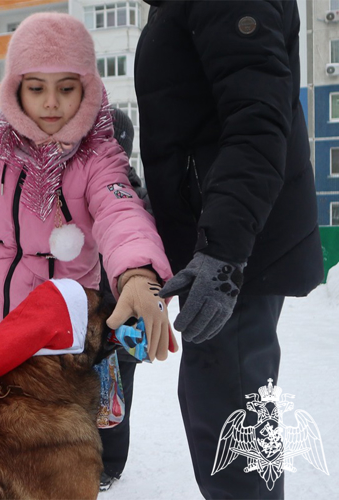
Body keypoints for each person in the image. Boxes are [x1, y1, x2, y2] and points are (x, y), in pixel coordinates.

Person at [0, 12, 176, 462]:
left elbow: (121, 211)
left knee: (42, 460)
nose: (51, 103)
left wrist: (139, 274)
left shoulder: (98, 156)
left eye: (66, 88)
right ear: (15, 87)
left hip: (53, 349)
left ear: (86, 88)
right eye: (36, 87)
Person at [135, 2, 324, 499]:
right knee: (217, 406)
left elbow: (258, 120)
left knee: (231, 418)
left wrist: (222, 252)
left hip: (236, 247)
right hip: (223, 239)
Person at [96, 106, 147, 492]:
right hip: (89, 312)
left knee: (117, 392)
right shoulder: (82, 187)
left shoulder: (136, 194)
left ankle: (110, 465)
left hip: (125, 314)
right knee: (87, 388)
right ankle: (85, 454)